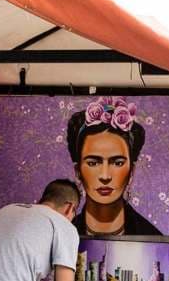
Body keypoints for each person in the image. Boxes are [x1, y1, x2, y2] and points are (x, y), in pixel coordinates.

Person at [66, 96, 161, 236]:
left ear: (131, 171)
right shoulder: (63, 235)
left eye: (117, 163)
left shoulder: (152, 237)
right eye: (93, 163)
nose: (105, 176)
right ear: (78, 171)